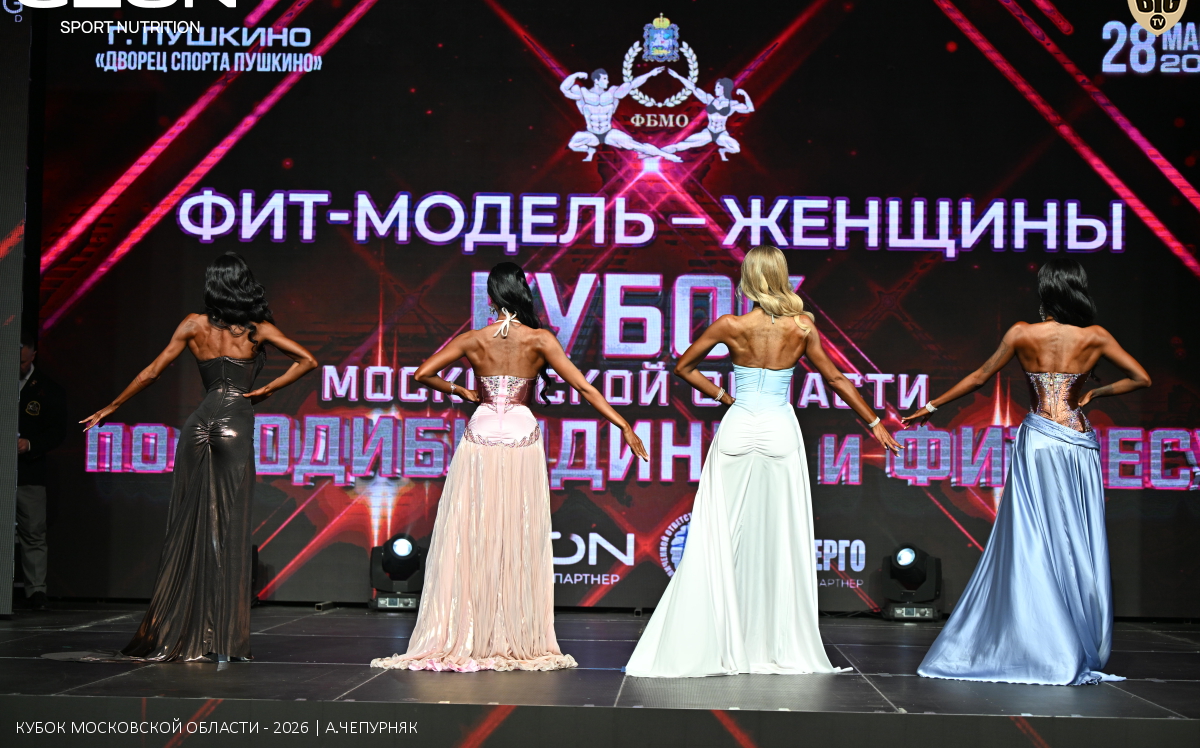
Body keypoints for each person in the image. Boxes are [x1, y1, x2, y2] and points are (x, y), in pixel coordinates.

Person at [626, 245, 902, 677]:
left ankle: (710, 641)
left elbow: (683, 367)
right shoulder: (801, 326)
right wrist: (873, 422)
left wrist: (725, 397)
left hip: (739, 426)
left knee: (717, 535)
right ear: (780, 277)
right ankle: (771, 642)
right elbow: (834, 377)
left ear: (749, 280)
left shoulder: (731, 325)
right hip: (777, 430)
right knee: (780, 536)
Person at [371, 262, 648, 672]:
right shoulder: (539, 339)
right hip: (521, 437)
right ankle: (510, 631)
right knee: (517, 535)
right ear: (522, 293)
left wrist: (461, 390)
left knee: (472, 535)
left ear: (491, 298)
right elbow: (583, 387)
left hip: (480, 435)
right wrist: (623, 424)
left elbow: (422, 373)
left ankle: (468, 632)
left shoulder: (474, 339)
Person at [905, 257, 1150, 686]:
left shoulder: (1022, 333)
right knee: (1075, 537)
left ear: (1045, 293)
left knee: (1032, 535)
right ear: (1076, 291)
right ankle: (1072, 635)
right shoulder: (1095, 337)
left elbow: (980, 376)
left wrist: (930, 406)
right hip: (1076, 443)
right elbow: (1141, 378)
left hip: (1037, 442)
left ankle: (1039, 638)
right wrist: (1096, 393)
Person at [79, 253, 317, 661]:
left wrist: (111, 407)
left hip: (198, 424)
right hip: (235, 423)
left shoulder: (193, 324)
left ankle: (179, 628)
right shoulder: (257, 329)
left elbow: (152, 372)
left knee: (187, 524)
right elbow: (308, 360)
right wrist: (267, 390)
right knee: (229, 527)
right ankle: (222, 640)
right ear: (243, 286)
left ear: (213, 287)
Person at [16, 330, 68, 612]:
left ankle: (36, 589)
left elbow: (57, 433)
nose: (19, 367)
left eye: (23, 362)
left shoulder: (48, 390)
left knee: (33, 531)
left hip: (30, 471)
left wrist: (30, 444)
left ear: (33, 355)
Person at [560, 67, 682, 162]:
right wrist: (575, 75)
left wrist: (650, 74)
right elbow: (564, 89)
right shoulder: (583, 93)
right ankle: (590, 150)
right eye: (604, 79)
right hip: (591, 134)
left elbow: (632, 84)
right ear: (596, 81)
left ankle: (667, 155)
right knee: (572, 144)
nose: (607, 81)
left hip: (608, 133)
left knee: (636, 145)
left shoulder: (612, 93)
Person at [662, 72, 753, 161]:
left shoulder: (732, 104)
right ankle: (658, 152)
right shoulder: (710, 99)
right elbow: (693, 88)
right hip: (708, 132)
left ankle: (722, 151)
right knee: (682, 145)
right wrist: (678, 76)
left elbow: (750, 109)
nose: (715, 89)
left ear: (724, 89)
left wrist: (745, 94)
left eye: (718, 87)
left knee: (736, 148)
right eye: (715, 87)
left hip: (721, 133)